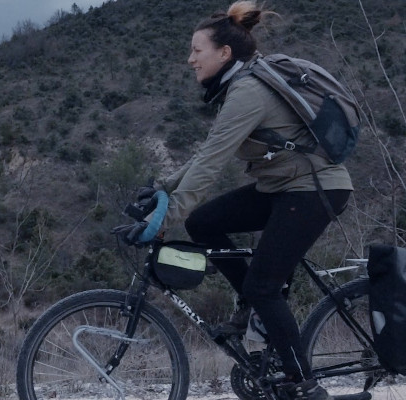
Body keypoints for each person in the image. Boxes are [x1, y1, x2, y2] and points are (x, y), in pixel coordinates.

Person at [151, 2, 353, 399]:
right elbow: (209, 150)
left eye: (197, 50)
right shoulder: (239, 88)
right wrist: (163, 186)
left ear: (224, 53)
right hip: (283, 187)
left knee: (264, 286)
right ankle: (255, 310)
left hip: (314, 188)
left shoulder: (248, 91)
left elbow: (211, 162)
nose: (189, 59)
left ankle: (302, 384)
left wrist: (165, 216)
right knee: (205, 222)